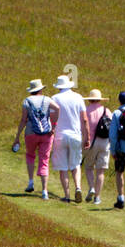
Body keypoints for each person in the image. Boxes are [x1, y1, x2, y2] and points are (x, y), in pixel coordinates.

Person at [13, 79, 58, 199]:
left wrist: (17, 136)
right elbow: (57, 108)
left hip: (30, 133)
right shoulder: (47, 99)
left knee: (30, 155)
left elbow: (24, 120)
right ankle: (44, 191)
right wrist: (53, 125)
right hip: (46, 133)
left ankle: (31, 182)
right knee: (44, 160)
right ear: (41, 89)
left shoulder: (26, 101)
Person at [49, 74, 88, 202]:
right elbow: (84, 119)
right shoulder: (78, 97)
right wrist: (87, 136)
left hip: (60, 135)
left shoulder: (54, 98)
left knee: (63, 167)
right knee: (76, 164)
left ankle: (67, 195)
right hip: (75, 135)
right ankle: (78, 187)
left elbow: (51, 118)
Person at [81, 88, 112, 204]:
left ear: (90, 99)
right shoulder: (106, 110)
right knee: (101, 171)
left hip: (90, 142)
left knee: (88, 167)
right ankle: (97, 197)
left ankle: (91, 187)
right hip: (104, 142)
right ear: (100, 99)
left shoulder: (86, 110)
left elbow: (82, 127)